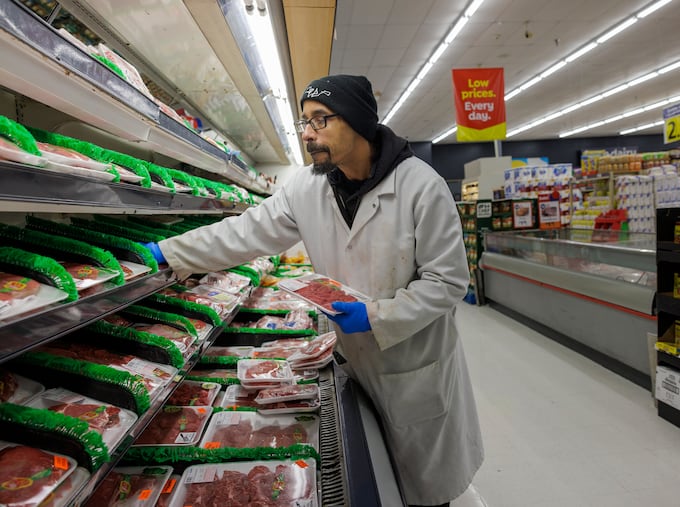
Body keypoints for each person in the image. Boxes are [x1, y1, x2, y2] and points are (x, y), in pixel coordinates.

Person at [146, 74, 484, 506]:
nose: (307, 134)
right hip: (353, 357)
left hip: (414, 363)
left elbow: (448, 281)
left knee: (424, 488)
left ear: (358, 122)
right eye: (303, 122)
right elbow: (245, 232)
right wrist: (167, 251)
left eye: (320, 120)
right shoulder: (309, 187)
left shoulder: (421, 186)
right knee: (381, 480)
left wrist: (377, 315)